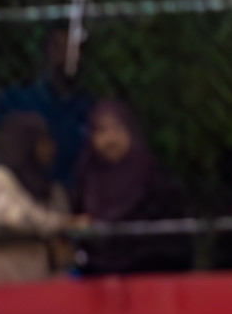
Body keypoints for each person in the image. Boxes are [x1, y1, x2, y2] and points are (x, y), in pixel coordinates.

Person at [71, 101, 189, 275]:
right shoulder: (86, 177)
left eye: (118, 129)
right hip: (98, 282)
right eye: (102, 131)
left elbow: (173, 241)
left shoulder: (152, 177)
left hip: (150, 276)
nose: (111, 138)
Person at [0, 111, 85, 283]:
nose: (52, 148)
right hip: (8, 288)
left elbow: (64, 236)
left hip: (48, 287)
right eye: (44, 142)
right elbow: (13, 219)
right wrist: (58, 223)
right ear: (26, 144)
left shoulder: (52, 189)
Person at [0, 26, 94, 190]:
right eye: (61, 48)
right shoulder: (17, 100)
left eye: (75, 49)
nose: (69, 57)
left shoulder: (88, 107)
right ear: (48, 51)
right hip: (23, 192)